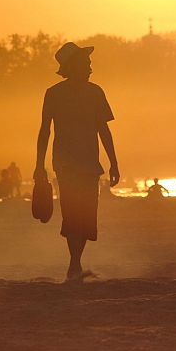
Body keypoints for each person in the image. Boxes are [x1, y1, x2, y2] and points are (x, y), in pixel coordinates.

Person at [34, 42, 120, 282]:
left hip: (86, 164)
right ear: (74, 66)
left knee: (84, 215)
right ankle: (74, 265)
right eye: (87, 62)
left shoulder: (94, 92)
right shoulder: (55, 94)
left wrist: (114, 162)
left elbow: (103, 130)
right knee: (75, 214)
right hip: (69, 165)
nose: (91, 67)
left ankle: (75, 263)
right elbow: (45, 131)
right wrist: (38, 165)